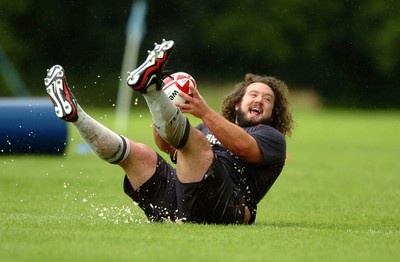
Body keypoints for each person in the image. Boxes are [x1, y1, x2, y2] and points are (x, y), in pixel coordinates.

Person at [44, 39, 294, 225]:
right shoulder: (208, 128)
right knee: (140, 154)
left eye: (267, 99)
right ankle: (77, 116)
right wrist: (166, 112)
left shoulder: (271, 137)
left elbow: (243, 147)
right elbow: (168, 147)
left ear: (274, 112)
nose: (259, 100)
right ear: (238, 103)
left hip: (227, 207)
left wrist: (203, 111)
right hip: (181, 202)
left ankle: (151, 91)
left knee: (192, 142)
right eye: (254, 94)